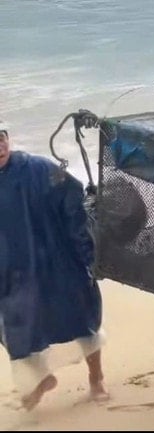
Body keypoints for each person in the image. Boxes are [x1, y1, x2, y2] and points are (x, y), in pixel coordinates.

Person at [0, 123, 109, 410]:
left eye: (1, 137)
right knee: (17, 329)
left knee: (82, 319)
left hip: (58, 259)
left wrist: (86, 253)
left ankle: (96, 379)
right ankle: (40, 380)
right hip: (14, 269)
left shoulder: (37, 168)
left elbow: (74, 204)